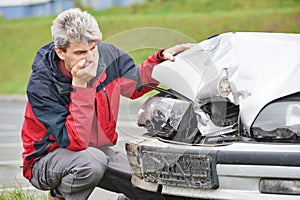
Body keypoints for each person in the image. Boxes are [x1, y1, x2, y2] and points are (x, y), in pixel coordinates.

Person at [21, 8, 193, 200]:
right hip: (48, 159)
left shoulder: (107, 54)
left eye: (93, 47)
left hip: (99, 152)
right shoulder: (41, 85)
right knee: (90, 163)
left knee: (153, 184)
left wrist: (162, 60)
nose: (90, 57)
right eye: (80, 52)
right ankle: (60, 196)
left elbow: (135, 85)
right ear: (60, 52)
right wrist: (81, 86)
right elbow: (75, 141)